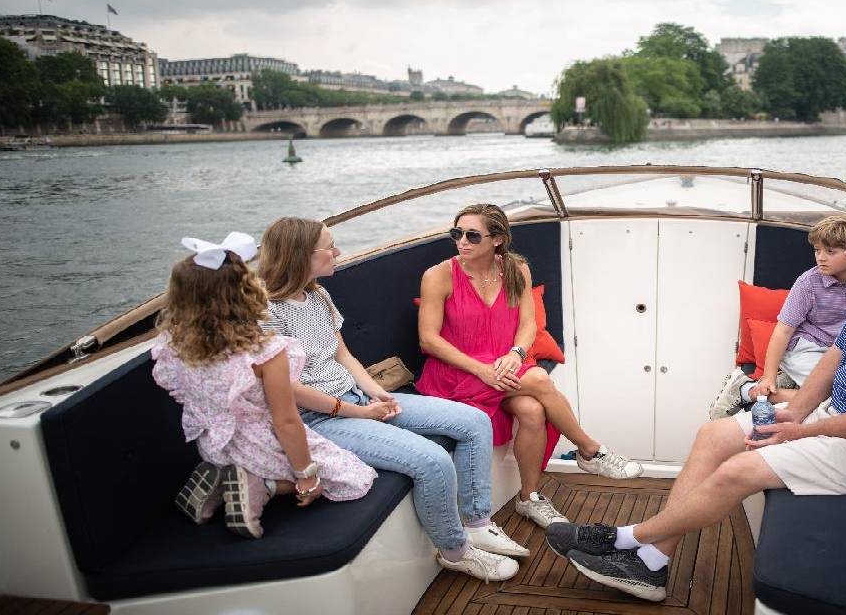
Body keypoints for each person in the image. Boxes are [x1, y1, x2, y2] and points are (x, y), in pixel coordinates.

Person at [546, 208, 846, 602]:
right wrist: (796, 410)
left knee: (738, 470)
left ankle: (626, 539)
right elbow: (836, 356)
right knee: (714, 434)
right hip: (837, 417)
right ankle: (654, 563)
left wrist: (800, 430)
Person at [258, 217, 527, 583]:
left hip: (354, 397)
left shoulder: (317, 295)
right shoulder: (265, 313)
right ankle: (455, 551)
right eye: (330, 247)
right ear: (300, 255)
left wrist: (377, 391)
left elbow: (344, 356)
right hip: (319, 420)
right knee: (432, 460)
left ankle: (478, 523)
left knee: (473, 421)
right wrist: (362, 412)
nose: (338, 252)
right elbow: (287, 389)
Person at [417, 204, 643, 529]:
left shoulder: (515, 268)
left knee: (533, 412)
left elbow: (528, 323)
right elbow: (429, 340)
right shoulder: (439, 275)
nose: (461, 241)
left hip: (505, 369)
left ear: (496, 239)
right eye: (457, 233)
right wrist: (481, 370)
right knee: (538, 378)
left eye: (471, 235)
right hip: (458, 374)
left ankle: (529, 497)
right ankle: (590, 450)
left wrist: (516, 353)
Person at [152, 231, 376, 539]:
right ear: (244, 289)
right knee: (355, 477)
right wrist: (306, 478)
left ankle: (220, 481)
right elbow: (285, 421)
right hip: (260, 444)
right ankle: (263, 484)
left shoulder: (171, 346)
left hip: (213, 444)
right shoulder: (265, 350)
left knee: (236, 461)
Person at [707, 214, 846, 419]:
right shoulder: (808, 282)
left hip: (842, 350)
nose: (821, 257)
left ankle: (783, 386)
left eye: (830, 251)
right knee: (832, 398)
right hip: (807, 346)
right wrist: (768, 377)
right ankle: (750, 390)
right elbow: (783, 329)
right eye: (817, 250)